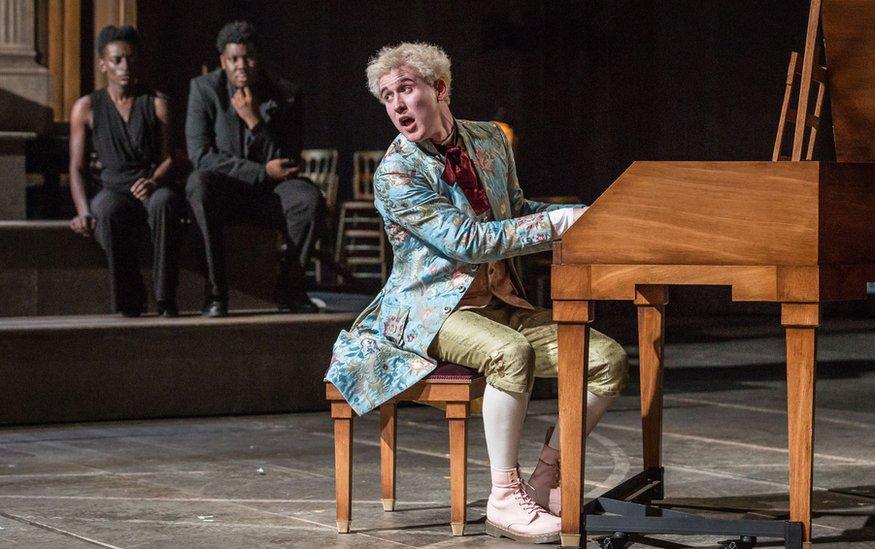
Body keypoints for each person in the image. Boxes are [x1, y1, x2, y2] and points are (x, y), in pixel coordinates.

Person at [325, 42, 628, 544]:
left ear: (440, 88)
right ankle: (504, 497)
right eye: (387, 96)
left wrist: (585, 218)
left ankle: (546, 476)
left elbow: (515, 210)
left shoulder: (489, 139)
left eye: (406, 89)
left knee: (607, 360)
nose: (397, 105)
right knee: (510, 354)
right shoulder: (396, 173)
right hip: (431, 311)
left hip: (501, 300)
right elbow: (466, 241)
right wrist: (557, 225)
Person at [184, 21, 322, 317]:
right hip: (226, 191)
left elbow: (287, 162)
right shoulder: (204, 90)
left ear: (258, 58)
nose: (241, 66)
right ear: (223, 61)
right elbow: (202, 157)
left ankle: (291, 289)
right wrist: (260, 172)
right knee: (198, 182)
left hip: (270, 194)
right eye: (233, 59)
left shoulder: (286, 93)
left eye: (248, 58)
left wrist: (254, 121)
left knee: (307, 198)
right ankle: (216, 294)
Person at [68, 25, 184, 317]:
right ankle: (130, 297)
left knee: (165, 202)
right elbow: (77, 168)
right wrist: (82, 211)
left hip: (151, 184)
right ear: (103, 64)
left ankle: (165, 297)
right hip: (113, 188)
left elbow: (170, 158)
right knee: (105, 210)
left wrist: (153, 181)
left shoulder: (156, 103)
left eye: (131, 59)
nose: (125, 67)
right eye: (117, 60)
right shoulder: (86, 107)